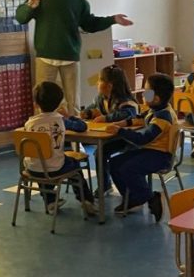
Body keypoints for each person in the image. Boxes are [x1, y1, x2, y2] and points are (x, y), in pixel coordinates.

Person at [15, 0, 133, 112]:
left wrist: (113, 19)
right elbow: (21, 18)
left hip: (70, 58)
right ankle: (45, 128)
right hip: (45, 58)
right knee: (43, 103)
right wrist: (29, 7)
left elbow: (90, 24)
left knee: (73, 104)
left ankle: (74, 128)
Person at [106, 73, 178, 220]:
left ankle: (149, 197)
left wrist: (120, 131)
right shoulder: (157, 109)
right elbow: (140, 118)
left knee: (128, 168)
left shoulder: (162, 117)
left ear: (156, 98)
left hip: (160, 156)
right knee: (114, 163)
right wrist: (123, 123)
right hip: (151, 151)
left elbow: (143, 139)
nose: (143, 94)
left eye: (147, 92)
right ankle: (132, 197)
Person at [23, 81, 96, 216]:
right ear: (58, 104)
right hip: (56, 168)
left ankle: (50, 201)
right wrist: (69, 116)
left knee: (42, 162)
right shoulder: (61, 120)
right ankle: (86, 200)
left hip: (32, 169)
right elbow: (82, 127)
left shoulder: (29, 123)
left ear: (36, 104)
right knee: (74, 165)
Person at [79, 64, 138, 192]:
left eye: (100, 80)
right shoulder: (100, 98)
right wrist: (86, 113)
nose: (97, 83)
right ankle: (105, 186)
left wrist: (106, 118)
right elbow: (93, 108)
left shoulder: (126, 101)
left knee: (109, 155)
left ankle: (119, 186)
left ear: (109, 86)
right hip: (113, 136)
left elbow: (128, 114)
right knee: (100, 152)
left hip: (128, 138)